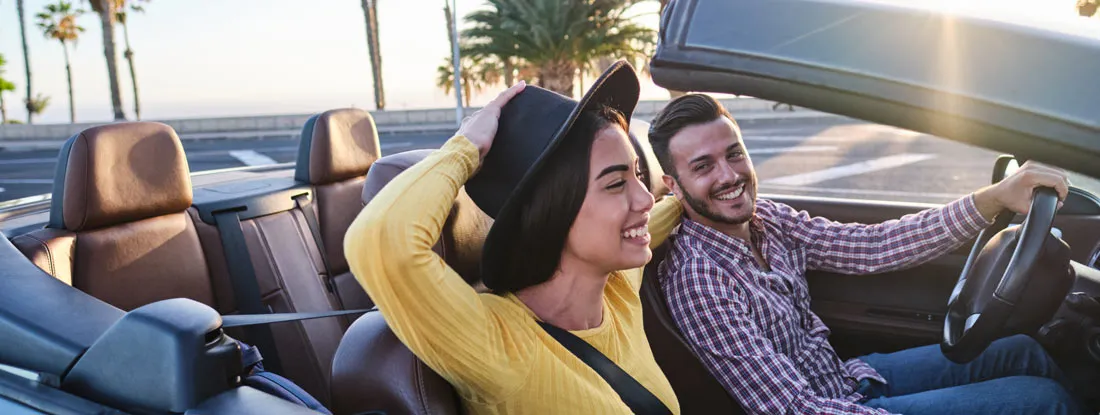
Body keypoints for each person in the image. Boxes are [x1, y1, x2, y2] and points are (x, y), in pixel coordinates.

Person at [646, 93, 1087, 415]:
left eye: (734, 154)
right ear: (673, 186)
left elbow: (873, 246)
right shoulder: (699, 281)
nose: (729, 176)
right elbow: (797, 410)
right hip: (831, 406)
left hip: (847, 379)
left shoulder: (768, 219)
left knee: (1023, 351)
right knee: (1044, 402)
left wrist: (992, 199)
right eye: (703, 166)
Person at [344, 62, 683, 414]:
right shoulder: (502, 347)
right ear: (553, 211)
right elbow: (379, 242)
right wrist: (464, 149)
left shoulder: (616, 290)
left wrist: (688, 200)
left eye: (638, 175)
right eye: (615, 184)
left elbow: (654, 221)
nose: (646, 198)